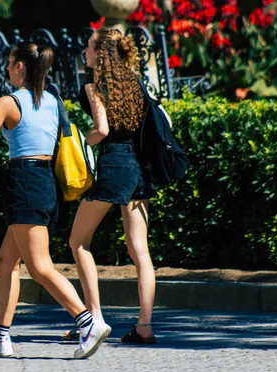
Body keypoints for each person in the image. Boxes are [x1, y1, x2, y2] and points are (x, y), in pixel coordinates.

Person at [0, 42, 111, 358]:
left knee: (40, 267)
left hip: (24, 183)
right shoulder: (54, 103)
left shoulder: (7, 103)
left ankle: (87, 322)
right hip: (45, 183)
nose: (6, 68)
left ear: (19, 67)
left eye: (9, 62)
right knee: (7, 260)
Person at [63, 28, 157, 345]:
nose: (84, 51)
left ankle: (94, 320)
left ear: (100, 53)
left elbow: (101, 130)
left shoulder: (93, 86)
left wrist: (77, 146)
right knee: (140, 251)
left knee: (79, 241)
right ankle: (144, 327)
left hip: (114, 166)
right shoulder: (135, 84)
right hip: (139, 169)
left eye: (89, 46)